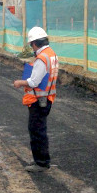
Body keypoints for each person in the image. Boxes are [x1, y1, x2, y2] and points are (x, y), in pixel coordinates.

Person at [13, 27, 59, 173]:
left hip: (38, 100)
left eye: (31, 44)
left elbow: (34, 81)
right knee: (40, 129)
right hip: (47, 98)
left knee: (36, 130)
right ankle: (43, 160)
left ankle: (41, 162)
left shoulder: (42, 58)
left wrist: (20, 82)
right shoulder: (51, 54)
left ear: (34, 43)